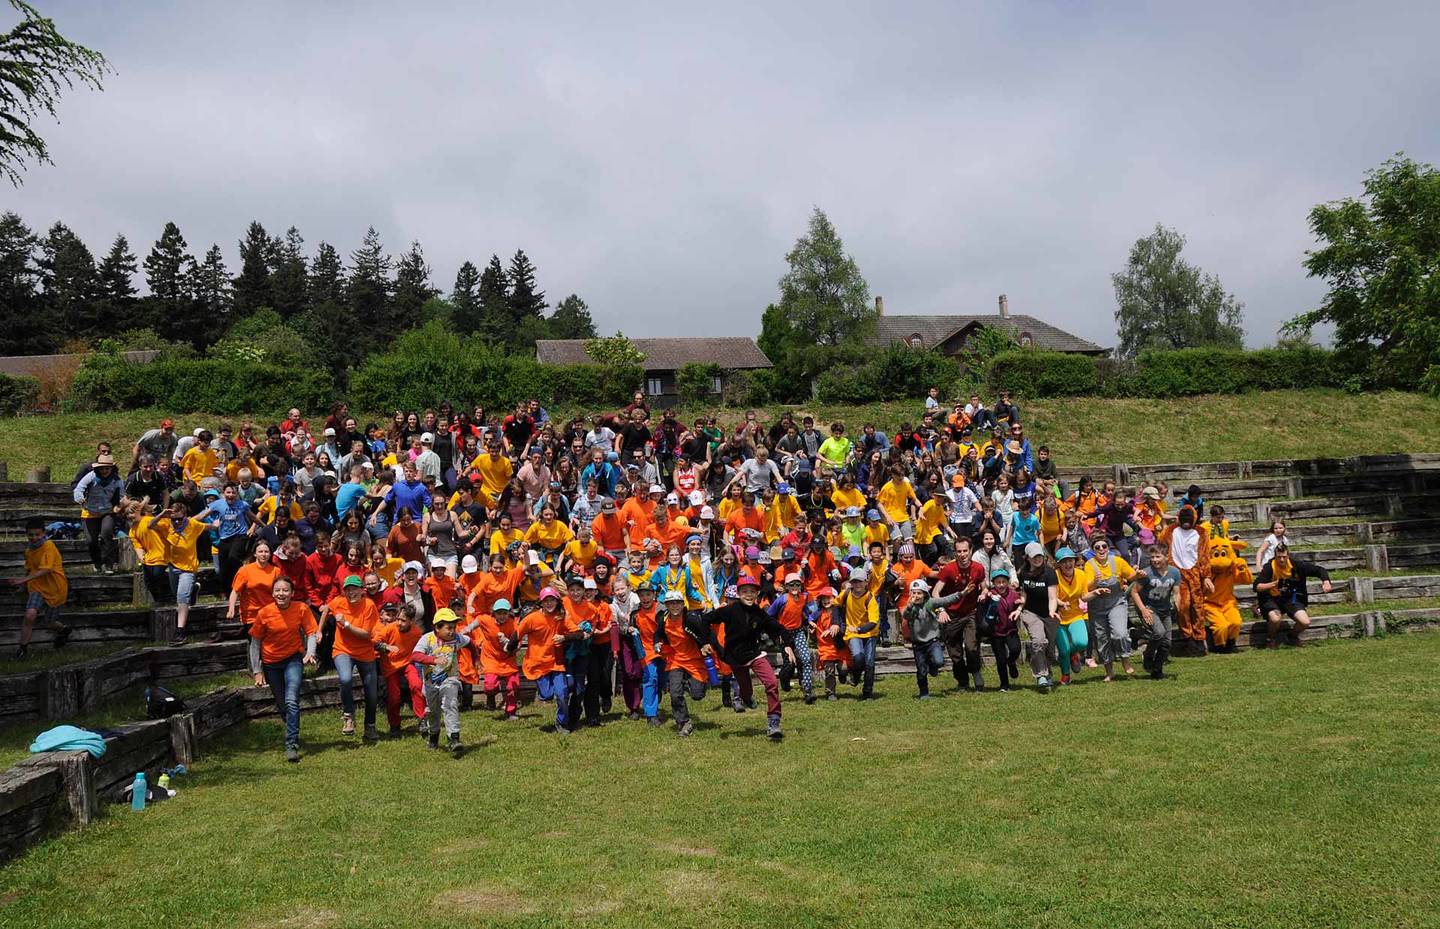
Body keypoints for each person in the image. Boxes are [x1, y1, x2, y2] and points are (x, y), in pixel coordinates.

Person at [690, 573, 792, 740]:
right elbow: (704, 620)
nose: (749, 595)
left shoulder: (760, 614)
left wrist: (787, 644)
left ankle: (774, 722)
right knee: (745, 692)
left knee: (772, 683)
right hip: (735, 657)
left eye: (752, 591)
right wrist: (708, 642)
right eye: (745, 591)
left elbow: (778, 628)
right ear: (738, 594)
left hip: (755, 654)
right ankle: (747, 698)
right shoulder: (729, 610)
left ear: (757, 594)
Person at [247, 576, 318, 762]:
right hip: (271, 663)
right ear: (272, 593)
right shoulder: (264, 613)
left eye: (285, 590)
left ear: (292, 593)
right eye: (277, 590)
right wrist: (257, 671)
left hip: (293, 659)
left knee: (292, 700)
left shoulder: (301, 608)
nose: (281, 593)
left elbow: (311, 632)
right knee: (283, 705)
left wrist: (310, 652)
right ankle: (292, 729)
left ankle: (291, 744)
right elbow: (255, 644)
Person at [318, 575, 382, 741]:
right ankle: (348, 716)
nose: (351, 592)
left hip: (365, 652)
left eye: (354, 589)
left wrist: (346, 624)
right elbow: (326, 609)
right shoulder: (339, 602)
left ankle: (370, 727)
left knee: (371, 693)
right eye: (348, 589)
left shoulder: (369, 605)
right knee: (345, 679)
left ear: (362, 591)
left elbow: (365, 634)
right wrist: (319, 630)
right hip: (342, 649)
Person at [408, 607, 479, 753]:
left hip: (450, 679)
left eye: (453, 627)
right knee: (434, 712)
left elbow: (470, 643)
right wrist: (433, 660)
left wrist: (476, 659)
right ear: (437, 627)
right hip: (431, 683)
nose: (452, 631)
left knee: (450, 704)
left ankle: (454, 738)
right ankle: (434, 736)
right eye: (448, 628)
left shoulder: (457, 638)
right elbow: (415, 656)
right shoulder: (427, 639)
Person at [8, 517, 72, 660]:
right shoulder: (29, 551)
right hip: (36, 587)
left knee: (50, 623)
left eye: (37, 534)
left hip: (55, 589)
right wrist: (23, 586)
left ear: (43, 533)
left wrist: (22, 580)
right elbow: (30, 569)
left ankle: (64, 630)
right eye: (30, 535)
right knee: (29, 615)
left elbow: (46, 570)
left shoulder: (49, 546)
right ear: (26, 535)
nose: (34, 538)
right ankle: (22, 650)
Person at [514, 587, 576, 732]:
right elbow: (517, 633)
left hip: (556, 663)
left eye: (552, 600)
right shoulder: (532, 618)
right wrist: (509, 647)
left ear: (556, 601)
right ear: (541, 603)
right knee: (547, 695)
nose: (549, 603)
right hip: (538, 663)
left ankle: (562, 723)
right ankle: (552, 690)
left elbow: (577, 632)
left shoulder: (561, 616)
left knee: (562, 694)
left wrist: (564, 637)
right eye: (546, 601)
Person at [1253, 544, 1332, 648]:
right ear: (1275, 556)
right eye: (1279, 557)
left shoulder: (1297, 565)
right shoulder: (1269, 567)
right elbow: (1257, 586)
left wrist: (1326, 581)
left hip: (1290, 598)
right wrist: (1273, 584)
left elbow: (1319, 570)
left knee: (1305, 622)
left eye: (1284, 557)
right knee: (1275, 618)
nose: (1281, 560)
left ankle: (1292, 636)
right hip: (1271, 598)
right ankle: (1271, 638)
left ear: (1288, 556)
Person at [656, 589, 708, 737]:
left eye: (677, 603)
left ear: (682, 604)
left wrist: (705, 645)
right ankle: (684, 723)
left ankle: (690, 683)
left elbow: (705, 633)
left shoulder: (690, 618)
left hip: (695, 660)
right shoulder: (663, 619)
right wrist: (657, 644)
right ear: (666, 605)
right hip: (675, 660)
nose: (674, 607)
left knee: (697, 695)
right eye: (671, 604)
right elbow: (658, 634)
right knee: (675, 693)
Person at [1084, 538, 1137, 681]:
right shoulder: (1089, 565)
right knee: (1101, 639)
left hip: (1116, 602)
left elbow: (1132, 576)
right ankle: (1109, 672)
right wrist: (1095, 583)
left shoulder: (1118, 561)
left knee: (1120, 633)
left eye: (1104, 546)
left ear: (1108, 548)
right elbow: (1087, 589)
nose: (1101, 549)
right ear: (1093, 551)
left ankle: (1125, 660)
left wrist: (1138, 574)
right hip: (1097, 606)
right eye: (1097, 547)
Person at [902, 579, 961, 698]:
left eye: (919, 593)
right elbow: (906, 616)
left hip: (932, 640)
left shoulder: (930, 603)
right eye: (913, 593)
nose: (916, 596)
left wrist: (960, 594)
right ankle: (924, 692)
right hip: (918, 643)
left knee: (939, 661)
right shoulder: (911, 608)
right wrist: (909, 606)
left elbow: (945, 600)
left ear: (925, 594)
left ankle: (933, 665)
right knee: (921, 670)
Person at [373, 601, 425, 737]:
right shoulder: (390, 628)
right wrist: (386, 647)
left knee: (417, 685)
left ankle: (422, 719)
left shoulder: (416, 633)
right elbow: (374, 642)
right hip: (390, 667)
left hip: (408, 664)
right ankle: (395, 725)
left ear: (411, 621)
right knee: (394, 697)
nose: (399, 623)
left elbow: (422, 649)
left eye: (403, 620)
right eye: (398, 619)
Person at [1131, 546, 1181, 679]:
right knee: (1159, 633)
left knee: (1167, 643)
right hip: (1150, 609)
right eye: (1152, 557)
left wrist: (1178, 604)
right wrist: (1143, 610)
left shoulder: (1174, 573)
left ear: (1166, 557)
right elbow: (1134, 592)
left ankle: (1157, 670)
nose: (1154, 560)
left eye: (1158, 556)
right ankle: (1148, 656)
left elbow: (1176, 592)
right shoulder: (1146, 573)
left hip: (1165, 610)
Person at [1015, 542, 1058, 691]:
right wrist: (1020, 605)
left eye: (1040, 556)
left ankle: (1048, 673)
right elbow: (1023, 593)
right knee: (1038, 641)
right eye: (1034, 556)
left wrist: (1052, 611)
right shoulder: (1023, 573)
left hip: (1048, 613)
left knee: (1050, 648)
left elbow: (1053, 597)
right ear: (1027, 558)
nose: (1037, 559)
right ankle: (1041, 676)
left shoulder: (1050, 573)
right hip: (1030, 612)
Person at [73, 452, 124, 575]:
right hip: (89, 511)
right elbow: (79, 489)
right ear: (97, 468)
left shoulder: (117, 480)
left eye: (107, 468)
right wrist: (80, 498)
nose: (104, 471)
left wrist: (119, 506)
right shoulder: (90, 477)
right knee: (91, 541)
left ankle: (108, 564)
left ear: (112, 468)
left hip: (108, 511)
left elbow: (122, 496)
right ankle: (97, 563)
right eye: (102, 468)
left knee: (107, 533)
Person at [834, 568, 881, 699]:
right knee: (858, 657)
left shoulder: (870, 599)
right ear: (851, 583)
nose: (857, 585)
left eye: (860, 582)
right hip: (852, 632)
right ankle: (855, 677)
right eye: (854, 582)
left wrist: (859, 629)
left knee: (869, 663)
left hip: (870, 633)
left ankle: (867, 692)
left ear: (866, 582)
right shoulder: (846, 593)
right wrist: (836, 622)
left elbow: (873, 621)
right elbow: (835, 604)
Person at [225, 540, 281, 642]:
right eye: (260, 552)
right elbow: (235, 591)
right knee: (255, 645)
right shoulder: (245, 570)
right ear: (255, 554)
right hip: (251, 615)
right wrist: (231, 608)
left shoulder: (276, 571)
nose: (263, 554)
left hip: (271, 613)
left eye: (266, 552)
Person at [977, 568, 1022, 691]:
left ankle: (1012, 662)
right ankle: (1004, 684)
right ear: (994, 583)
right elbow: (983, 601)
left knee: (1015, 649)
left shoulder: (1013, 594)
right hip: (996, 632)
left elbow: (1021, 601)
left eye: (1003, 581)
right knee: (1000, 659)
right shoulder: (991, 594)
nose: (1001, 585)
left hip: (1011, 630)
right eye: (998, 582)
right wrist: (984, 597)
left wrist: (1020, 603)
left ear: (1007, 582)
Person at [1053, 547, 1093, 685]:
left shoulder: (1081, 574)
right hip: (1057, 617)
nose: (1068, 564)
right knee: (1063, 651)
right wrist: (1061, 603)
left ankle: (1073, 654)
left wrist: (1096, 592)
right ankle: (1065, 675)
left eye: (1070, 560)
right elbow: (1052, 597)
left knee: (1081, 642)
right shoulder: (1054, 576)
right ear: (1059, 564)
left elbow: (1084, 596)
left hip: (1075, 614)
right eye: (1064, 562)